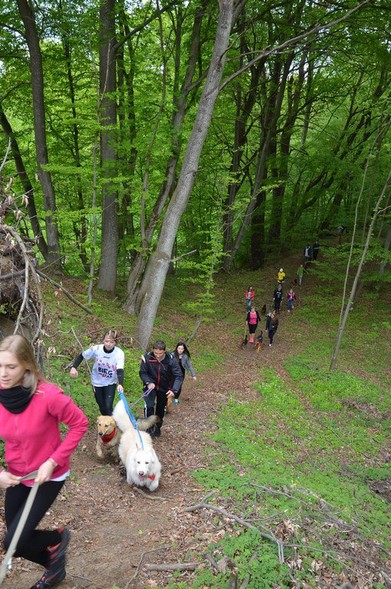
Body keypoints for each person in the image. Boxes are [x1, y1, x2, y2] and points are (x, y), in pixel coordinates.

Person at [0, 334, 88, 589]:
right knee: (14, 543)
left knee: (13, 541)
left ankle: (56, 545)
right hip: (16, 476)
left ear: (26, 365)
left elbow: (79, 423)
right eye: (0, 366)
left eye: (11, 367)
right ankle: (55, 554)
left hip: (48, 475)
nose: (3, 373)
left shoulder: (47, 395)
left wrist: (53, 460)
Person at [69, 329, 124, 416]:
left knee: (108, 406)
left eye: (112, 342)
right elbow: (82, 356)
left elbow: (120, 369)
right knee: (102, 407)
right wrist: (74, 367)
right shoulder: (97, 349)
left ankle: (111, 426)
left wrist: (120, 383)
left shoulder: (119, 353)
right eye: (106, 341)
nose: (108, 344)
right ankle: (106, 424)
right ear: (103, 340)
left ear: (115, 343)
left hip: (110, 383)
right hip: (97, 382)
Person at [139, 340, 183, 437]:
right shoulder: (147, 358)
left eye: (160, 353)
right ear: (153, 350)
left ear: (164, 351)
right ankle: (149, 428)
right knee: (149, 406)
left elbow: (178, 376)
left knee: (160, 408)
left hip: (165, 387)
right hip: (150, 387)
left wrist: (174, 390)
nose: (158, 355)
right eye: (155, 353)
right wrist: (148, 382)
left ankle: (157, 427)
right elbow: (143, 372)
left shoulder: (171, 360)